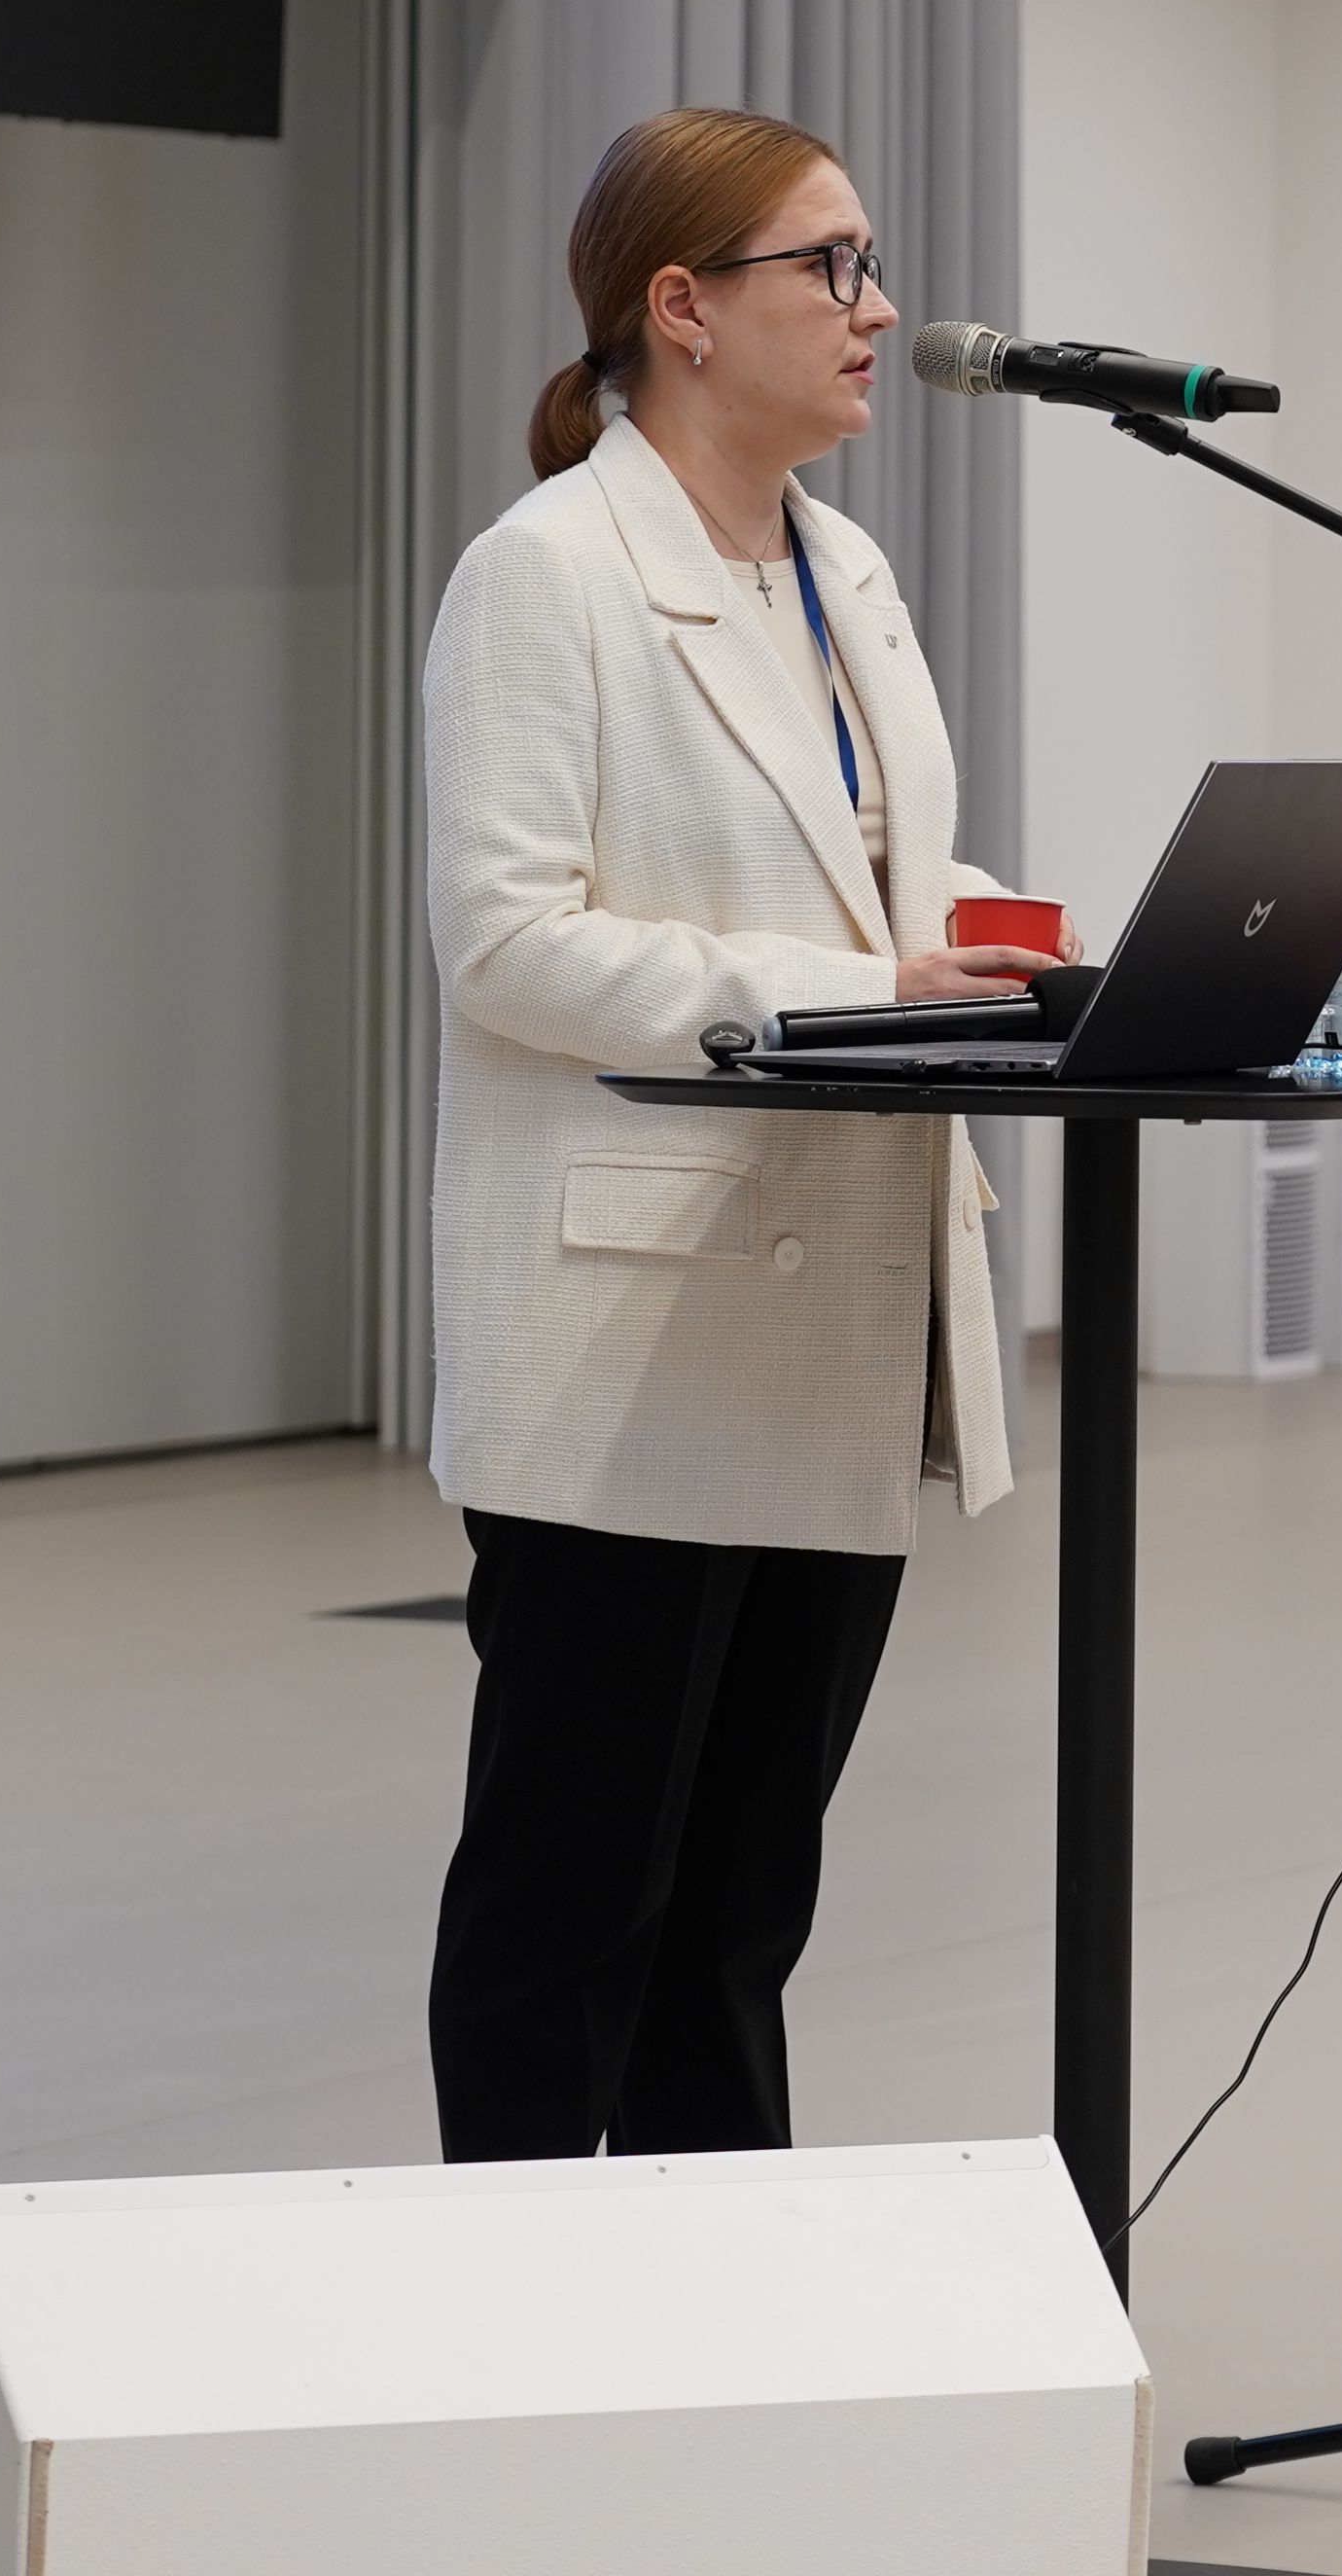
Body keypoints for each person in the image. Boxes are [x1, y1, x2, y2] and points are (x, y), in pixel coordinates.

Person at [412, 105, 1060, 2156]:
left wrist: (1039, 954)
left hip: (834, 1320)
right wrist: (860, 990)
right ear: (681, 308)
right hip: (635, 1337)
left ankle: (726, 2301)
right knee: (567, 1916)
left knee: (737, 1924)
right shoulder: (546, 574)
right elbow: (507, 942)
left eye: (872, 263)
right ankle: (522, 2304)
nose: (878, 307)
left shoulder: (845, 571)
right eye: (831, 266)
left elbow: (881, 891)